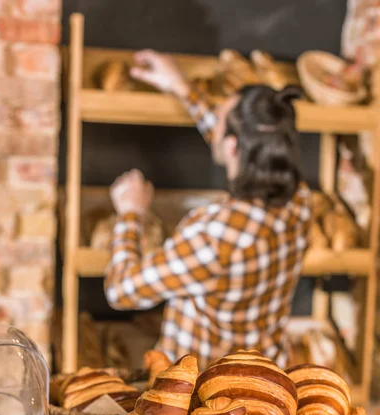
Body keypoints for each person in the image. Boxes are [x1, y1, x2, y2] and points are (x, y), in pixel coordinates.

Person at [104, 50, 312, 369]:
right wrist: (181, 87)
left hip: (201, 391)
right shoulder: (299, 198)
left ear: (232, 147)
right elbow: (240, 136)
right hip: (265, 374)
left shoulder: (214, 236)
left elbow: (121, 290)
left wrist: (131, 214)